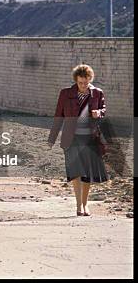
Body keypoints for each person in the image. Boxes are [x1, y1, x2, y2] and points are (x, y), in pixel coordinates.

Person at [48, 64, 108, 217]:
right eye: (80, 82)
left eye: (86, 82)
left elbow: (103, 110)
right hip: (71, 138)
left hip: (90, 138)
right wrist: (52, 138)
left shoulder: (97, 93)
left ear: (90, 79)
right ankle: (78, 205)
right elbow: (58, 116)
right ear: (75, 80)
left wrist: (98, 113)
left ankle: (85, 204)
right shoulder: (65, 93)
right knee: (76, 172)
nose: (83, 85)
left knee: (87, 173)